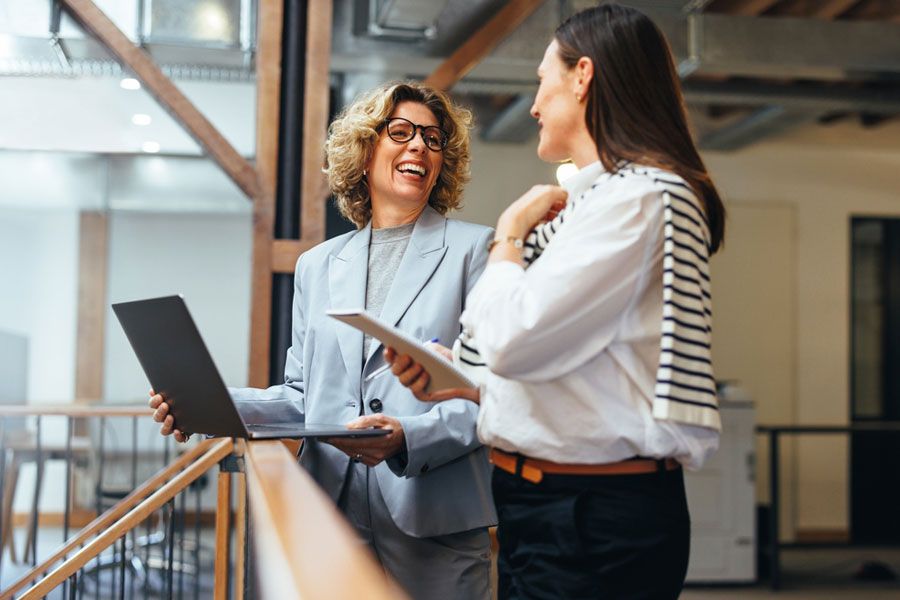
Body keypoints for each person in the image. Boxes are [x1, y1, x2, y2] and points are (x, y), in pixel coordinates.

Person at [386, 4, 726, 599]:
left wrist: (509, 234)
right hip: (549, 507)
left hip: (591, 516)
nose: (536, 103)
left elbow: (513, 340)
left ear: (583, 76)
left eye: (543, 80)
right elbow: (571, 369)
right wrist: (462, 382)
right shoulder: (604, 200)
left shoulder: (641, 198)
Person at [150, 81, 496, 600]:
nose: (419, 146)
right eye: (400, 132)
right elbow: (300, 394)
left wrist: (408, 435)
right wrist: (208, 405)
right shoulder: (317, 265)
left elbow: (491, 394)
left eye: (432, 138)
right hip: (331, 508)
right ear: (365, 149)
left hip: (433, 517)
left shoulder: (477, 250)